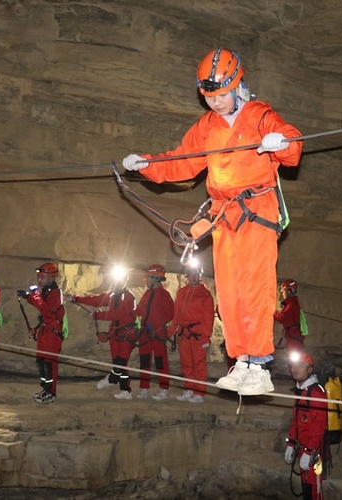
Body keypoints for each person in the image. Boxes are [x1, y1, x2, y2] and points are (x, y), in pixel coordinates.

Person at [123, 48, 303, 396]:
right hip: (224, 215)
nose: (216, 103)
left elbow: (292, 147)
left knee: (254, 286)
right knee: (230, 291)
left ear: (237, 87)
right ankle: (241, 361)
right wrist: (146, 164)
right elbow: (181, 162)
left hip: (257, 210)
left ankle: (260, 364)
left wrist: (280, 143)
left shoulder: (259, 115)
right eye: (209, 97)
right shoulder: (207, 126)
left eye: (222, 95)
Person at [69, 266, 137, 400]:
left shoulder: (129, 297)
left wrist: (98, 315)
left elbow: (118, 314)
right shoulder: (113, 295)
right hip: (115, 333)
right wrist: (77, 299)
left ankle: (112, 379)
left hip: (126, 333)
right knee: (118, 363)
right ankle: (125, 390)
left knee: (120, 362)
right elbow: (96, 300)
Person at [18, 262, 66, 404]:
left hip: (52, 332)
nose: (39, 280)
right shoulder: (47, 291)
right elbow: (41, 305)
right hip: (46, 331)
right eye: (39, 277)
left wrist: (33, 294)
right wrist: (28, 296)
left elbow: (45, 309)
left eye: (42, 277)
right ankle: (46, 389)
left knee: (50, 364)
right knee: (43, 362)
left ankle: (51, 392)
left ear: (51, 278)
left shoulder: (56, 293)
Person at [284, 350, 328, 500]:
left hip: (316, 453)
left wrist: (309, 451)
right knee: (305, 488)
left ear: (310, 369)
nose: (295, 368)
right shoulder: (300, 391)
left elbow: (319, 427)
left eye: (301, 365)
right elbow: (295, 420)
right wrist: (291, 442)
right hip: (303, 448)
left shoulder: (316, 393)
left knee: (314, 488)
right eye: (294, 365)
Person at [170, 260, 214, 403]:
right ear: (187, 276)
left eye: (196, 274)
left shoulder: (205, 295)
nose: (193, 277)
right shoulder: (182, 292)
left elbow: (208, 318)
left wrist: (206, 337)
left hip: (197, 334)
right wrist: (171, 331)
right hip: (184, 334)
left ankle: (199, 393)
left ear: (200, 275)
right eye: (191, 274)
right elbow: (176, 315)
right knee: (186, 363)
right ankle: (189, 389)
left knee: (199, 363)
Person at [135, 264, 175, 401]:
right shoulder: (147, 294)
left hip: (157, 333)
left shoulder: (164, 295)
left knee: (160, 361)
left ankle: (164, 390)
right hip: (146, 333)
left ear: (156, 278)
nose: (146, 280)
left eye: (148, 277)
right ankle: (144, 388)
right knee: (144, 361)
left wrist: (156, 325)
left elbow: (170, 314)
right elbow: (140, 310)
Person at [274, 279, 305, 354]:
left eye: (283, 292)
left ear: (288, 291)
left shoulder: (291, 304)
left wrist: (274, 312)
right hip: (294, 333)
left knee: (293, 356)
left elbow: (283, 318)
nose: (283, 295)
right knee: (294, 355)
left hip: (293, 334)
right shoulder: (292, 303)